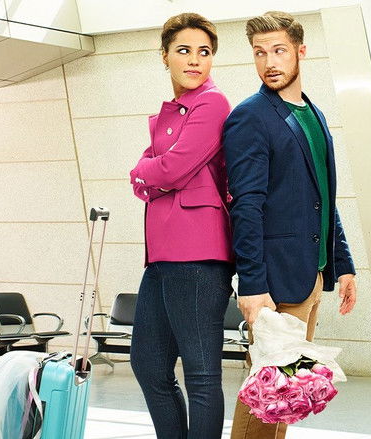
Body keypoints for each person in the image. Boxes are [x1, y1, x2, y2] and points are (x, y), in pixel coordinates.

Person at [223, 11, 357, 438]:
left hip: (310, 276)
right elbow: (246, 205)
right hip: (274, 280)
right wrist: (252, 284)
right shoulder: (250, 117)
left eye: (279, 51)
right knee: (265, 398)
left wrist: (343, 264)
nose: (269, 62)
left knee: (285, 398)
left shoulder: (313, 115)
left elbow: (322, 199)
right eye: (259, 53)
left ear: (301, 51)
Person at [128, 13, 234, 439]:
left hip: (198, 252)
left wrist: (148, 171)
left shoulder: (212, 103)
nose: (194, 60)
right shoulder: (173, 112)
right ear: (165, 56)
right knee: (148, 364)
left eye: (203, 52)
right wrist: (153, 173)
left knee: (201, 372)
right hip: (162, 255)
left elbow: (168, 169)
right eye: (184, 50)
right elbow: (149, 176)